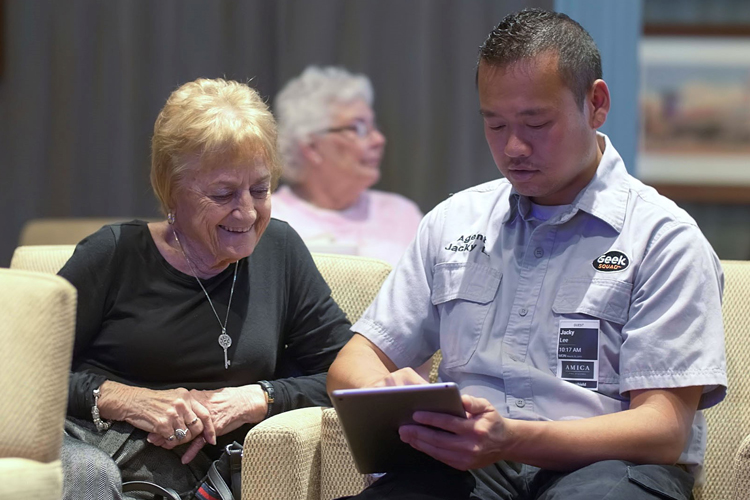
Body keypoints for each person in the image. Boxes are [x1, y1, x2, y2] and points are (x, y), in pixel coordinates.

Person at [327, 8, 726, 500]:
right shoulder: (455, 221)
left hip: (610, 469)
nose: (514, 147)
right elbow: (354, 360)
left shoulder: (663, 238)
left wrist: (513, 438)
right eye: (495, 125)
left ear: (596, 104)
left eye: (536, 123)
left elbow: (664, 429)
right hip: (467, 472)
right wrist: (381, 392)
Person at [58, 78, 353, 499]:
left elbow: (346, 376)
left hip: (185, 477)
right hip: (86, 444)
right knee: (90, 474)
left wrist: (260, 397)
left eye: (260, 189)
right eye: (223, 193)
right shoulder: (115, 253)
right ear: (171, 192)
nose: (247, 212)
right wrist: (124, 399)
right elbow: (21, 372)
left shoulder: (280, 251)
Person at [272, 66, 423, 267]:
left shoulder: (402, 214)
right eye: (358, 128)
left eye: (373, 126)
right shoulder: (271, 219)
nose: (378, 139)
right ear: (311, 147)